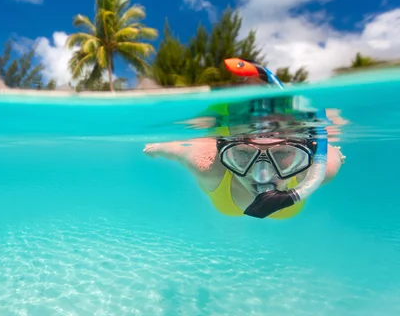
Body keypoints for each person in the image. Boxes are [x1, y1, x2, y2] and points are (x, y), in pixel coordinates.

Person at [143, 58, 346, 219]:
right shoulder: (206, 164)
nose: (261, 176)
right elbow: (176, 149)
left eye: (283, 153)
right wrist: (159, 147)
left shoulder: (322, 169)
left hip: (285, 209)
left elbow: (330, 152)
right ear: (222, 149)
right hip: (228, 204)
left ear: (306, 151)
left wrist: (335, 153)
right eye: (242, 153)